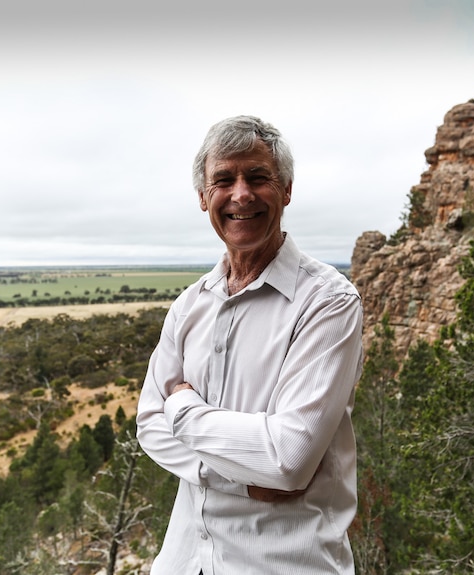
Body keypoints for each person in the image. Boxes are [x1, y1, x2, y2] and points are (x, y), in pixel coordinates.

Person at [136, 115, 363, 574]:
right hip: (183, 562)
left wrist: (184, 410)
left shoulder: (327, 301)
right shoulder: (189, 305)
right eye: (224, 180)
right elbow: (148, 425)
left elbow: (287, 459)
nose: (241, 194)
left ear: (287, 189)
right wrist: (237, 478)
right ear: (203, 197)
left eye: (258, 177)